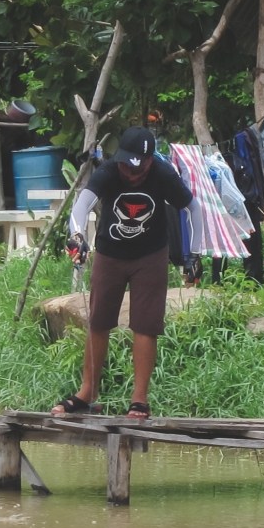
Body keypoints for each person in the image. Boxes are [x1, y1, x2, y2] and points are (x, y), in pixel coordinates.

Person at [52, 126, 201, 419]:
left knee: (146, 325)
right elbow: (80, 208)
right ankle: (88, 393)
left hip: (151, 256)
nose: (131, 174)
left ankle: (139, 399)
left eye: (139, 168)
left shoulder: (163, 174)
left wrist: (193, 254)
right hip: (110, 255)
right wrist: (78, 236)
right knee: (99, 320)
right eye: (126, 166)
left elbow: (192, 208)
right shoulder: (108, 172)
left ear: (148, 161)